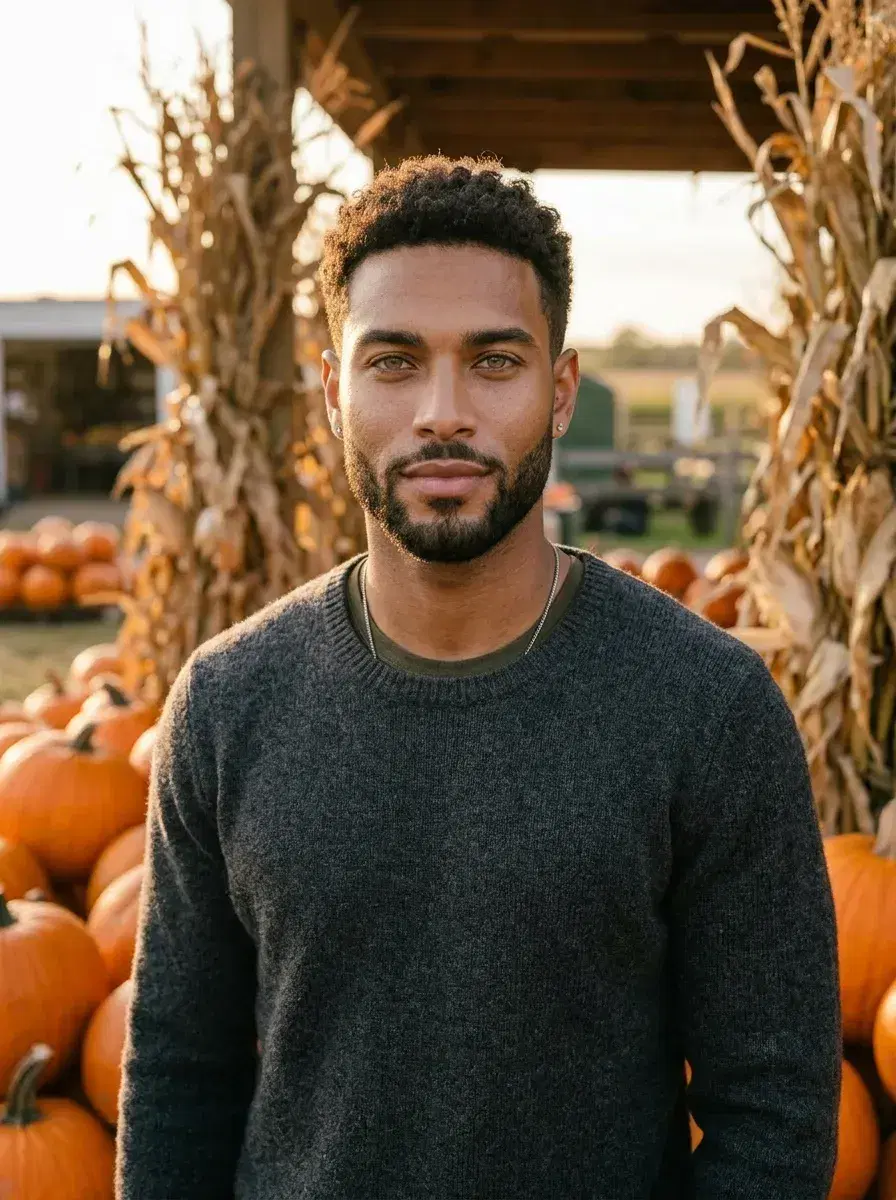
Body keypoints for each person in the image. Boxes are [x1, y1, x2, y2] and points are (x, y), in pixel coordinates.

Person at [116, 157, 840, 1199]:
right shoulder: (228, 705)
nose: (442, 412)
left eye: (493, 363)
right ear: (333, 389)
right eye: (394, 363)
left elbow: (770, 1112)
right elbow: (179, 1079)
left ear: (559, 390)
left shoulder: (705, 710)